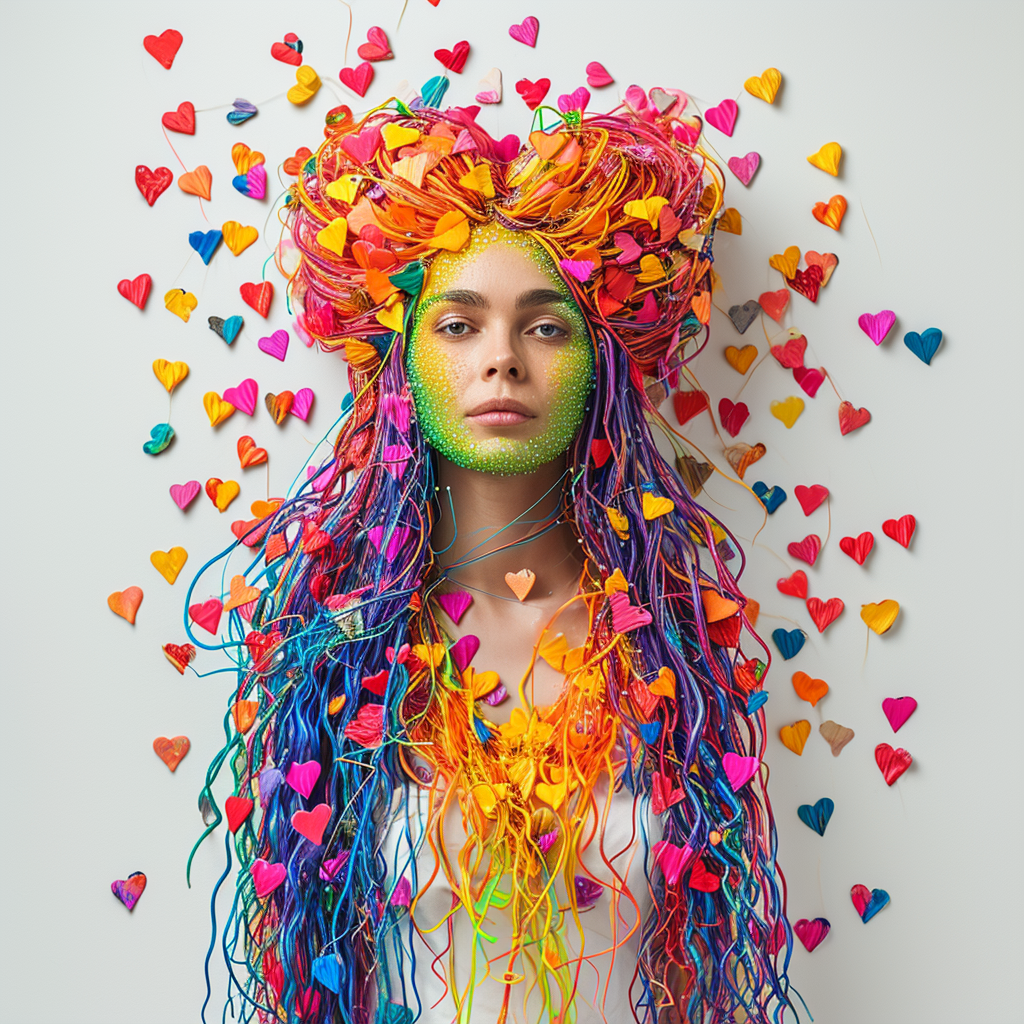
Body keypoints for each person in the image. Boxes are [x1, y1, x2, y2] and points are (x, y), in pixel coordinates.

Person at [190, 92, 793, 1024]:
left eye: (546, 326)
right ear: (399, 362)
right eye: (459, 324)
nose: (502, 359)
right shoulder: (334, 662)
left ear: (600, 358)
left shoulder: (671, 660)